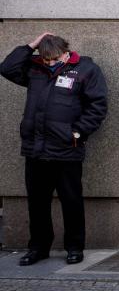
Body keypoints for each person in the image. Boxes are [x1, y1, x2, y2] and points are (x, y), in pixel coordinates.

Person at [1, 33, 108, 267]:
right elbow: (7, 68)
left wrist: (77, 133)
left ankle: (74, 247)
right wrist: (31, 45)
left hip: (66, 149)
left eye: (55, 59)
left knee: (71, 201)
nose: (50, 63)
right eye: (46, 59)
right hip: (36, 149)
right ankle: (38, 248)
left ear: (66, 52)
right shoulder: (35, 69)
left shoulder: (86, 69)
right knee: (37, 203)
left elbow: (98, 105)